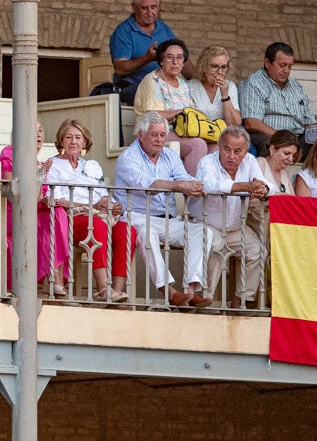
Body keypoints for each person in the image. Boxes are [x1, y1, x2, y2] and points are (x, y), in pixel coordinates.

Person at [114, 110, 211, 308]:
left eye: (162, 135)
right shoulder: (128, 157)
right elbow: (146, 184)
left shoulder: (168, 155)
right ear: (140, 135)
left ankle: (191, 292)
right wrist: (179, 186)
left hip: (167, 219)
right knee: (146, 233)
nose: (159, 139)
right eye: (154, 135)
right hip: (137, 216)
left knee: (202, 232)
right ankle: (170, 292)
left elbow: (183, 177)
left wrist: (198, 185)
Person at [45, 119, 135, 301]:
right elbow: (53, 199)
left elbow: (103, 195)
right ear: (61, 141)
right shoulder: (52, 165)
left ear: (85, 142)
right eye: (68, 137)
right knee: (97, 226)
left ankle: (117, 291)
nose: (73, 142)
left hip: (98, 215)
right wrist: (89, 207)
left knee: (128, 231)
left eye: (78, 138)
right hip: (70, 218)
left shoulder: (91, 166)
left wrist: (112, 205)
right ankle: (103, 288)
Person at [192, 126, 270, 308]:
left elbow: (266, 184)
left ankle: (240, 300)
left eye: (238, 151)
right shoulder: (206, 162)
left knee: (259, 252)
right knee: (215, 246)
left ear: (245, 151)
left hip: (235, 228)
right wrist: (245, 186)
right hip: (206, 224)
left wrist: (262, 188)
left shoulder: (250, 161)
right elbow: (209, 185)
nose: (231, 156)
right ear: (219, 147)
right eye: (227, 149)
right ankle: (206, 300)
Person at [0, 121, 71, 297]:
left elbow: (36, 197)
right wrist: (39, 175)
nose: (38, 134)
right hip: (13, 213)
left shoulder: (38, 162)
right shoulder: (9, 153)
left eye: (40, 130)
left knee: (57, 211)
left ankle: (55, 279)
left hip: (32, 213)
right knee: (53, 218)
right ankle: (54, 279)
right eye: (33, 130)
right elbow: (13, 190)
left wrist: (46, 198)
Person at [134, 38, 210, 176]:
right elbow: (153, 116)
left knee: (216, 144)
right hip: (153, 134)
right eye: (170, 57)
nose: (175, 62)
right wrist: (181, 113)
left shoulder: (183, 84)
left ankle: (212, 193)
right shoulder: (152, 81)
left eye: (179, 58)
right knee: (197, 145)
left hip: (181, 133)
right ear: (161, 60)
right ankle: (192, 192)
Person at [240, 42, 315, 155]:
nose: (286, 71)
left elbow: (310, 123)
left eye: (290, 66)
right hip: (270, 136)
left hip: (297, 138)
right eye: (282, 65)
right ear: (267, 63)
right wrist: (282, 138)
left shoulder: (297, 86)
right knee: (271, 145)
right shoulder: (254, 84)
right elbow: (252, 123)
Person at [110, 0, 177, 105]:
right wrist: (146, 58)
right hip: (133, 88)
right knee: (154, 96)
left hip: (162, 87)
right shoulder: (124, 31)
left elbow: (182, 57)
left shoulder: (164, 28)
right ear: (134, 7)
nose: (150, 13)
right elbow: (120, 68)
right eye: (144, 8)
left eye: (154, 7)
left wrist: (198, 80)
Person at [190, 46, 242, 127]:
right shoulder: (191, 86)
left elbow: (234, 124)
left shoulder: (230, 86)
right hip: (199, 134)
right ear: (204, 66)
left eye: (224, 67)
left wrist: (225, 95)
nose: (220, 72)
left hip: (223, 135)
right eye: (214, 66)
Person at [256, 129, 299, 196]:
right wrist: (284, 196)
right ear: (272, 150)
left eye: (293, 155)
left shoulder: (286, 173)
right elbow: (255, 194)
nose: (291, 159)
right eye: (286, 153)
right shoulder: (260, 163)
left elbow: (293, 200)